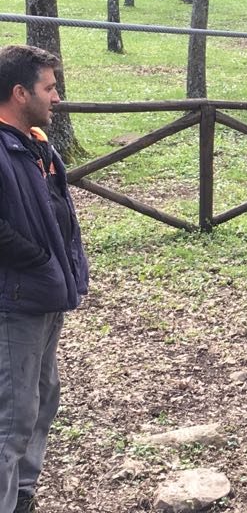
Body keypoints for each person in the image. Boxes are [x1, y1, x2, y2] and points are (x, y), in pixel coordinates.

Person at [0, 45, 88, 513]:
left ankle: (22, 495)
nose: (56, 97)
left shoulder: (35, 144)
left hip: (46, 295)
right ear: (20, 93)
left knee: (42, 399)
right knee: (11, 418)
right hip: (15, 302)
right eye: (49, 88)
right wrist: (37, 259)